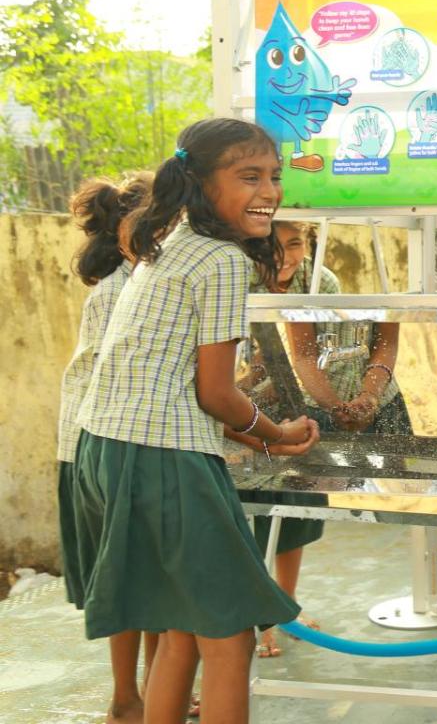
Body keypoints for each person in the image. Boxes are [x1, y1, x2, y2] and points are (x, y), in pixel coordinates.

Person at [73, 118, 320, 724]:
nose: (269, 191)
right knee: (230, 634)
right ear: (200, 183)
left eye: (275, 177)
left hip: (107, 447)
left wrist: (245, 431)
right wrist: (275, 432)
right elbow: (215, 392)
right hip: (163, 460)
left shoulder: (168, 246)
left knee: (184, 627)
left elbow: (171, 379)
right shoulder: (220, 261)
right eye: (249, 177)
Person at [244, 219, 411, 657]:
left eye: (296, 243)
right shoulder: (234, 275)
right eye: (273, 245)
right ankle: (254, 616)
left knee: (293, 508)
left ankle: (284, 606)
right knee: (252, 512)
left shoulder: (316, 278)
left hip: (294, 408)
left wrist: (347, 402)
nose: (287, 256)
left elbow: (311, 354)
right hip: (237, 408)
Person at [57, 173, 155, 723]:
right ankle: (130, 697)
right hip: (109, 442)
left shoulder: (124, 278)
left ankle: (142, 691)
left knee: (133, 577)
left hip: (89, 441)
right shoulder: (130, 286)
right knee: (135, 580)